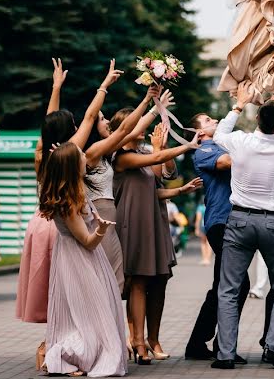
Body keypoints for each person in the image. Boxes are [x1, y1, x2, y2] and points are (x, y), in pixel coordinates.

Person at [17, 58, 122, 372]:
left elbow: (49, 120)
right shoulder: (70, 153)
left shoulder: (44, 156)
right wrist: (103, 86)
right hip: (71, 229)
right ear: (68, 132)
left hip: (45, 226)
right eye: (72, 126)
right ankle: (73, 346)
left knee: (58, 296)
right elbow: (90, 116)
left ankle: (56, 343)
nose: (78, 128)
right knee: (78, 295)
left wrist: (55, 88)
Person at [211, 83, 274, 370]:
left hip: (239, 219)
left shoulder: (241, 142)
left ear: (257, 120)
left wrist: (239, 104)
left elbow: (218, 134)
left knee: (229, 288)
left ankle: (225, 354)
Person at [112, 114, 203, 365]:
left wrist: (179, 189)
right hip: (133, 222)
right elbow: (156, 159)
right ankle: (138, 341)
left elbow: (160, 178)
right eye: (134, 123)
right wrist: (167, 149)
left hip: (156, 220)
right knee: (139, 281)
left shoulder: (145, 151)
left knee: (160, 280)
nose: (141, 127)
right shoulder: (119, 156)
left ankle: (154, 339)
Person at [39, 142, 127, 377]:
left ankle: (77, 356)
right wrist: (101, 230)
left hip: (84, 257)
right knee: (87, 310)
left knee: (88, 310)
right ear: (71, 165)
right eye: (80, 155)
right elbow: (87, 241)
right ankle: (65, 356)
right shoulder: (67, 202)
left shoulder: (76, 190)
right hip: (78, 259)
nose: (85, 158)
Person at [81, 84, 164, 295]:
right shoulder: (94, 152)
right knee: (107, 282)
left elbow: (131, 131)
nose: (107, 121)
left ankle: (109, 326)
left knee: (115, 281)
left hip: (109, 221)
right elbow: (126, 130)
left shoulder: (108, 152)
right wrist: (147, 102)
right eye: (102, 120)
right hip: (99, 219)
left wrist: (155, 108)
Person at [184, 111, 250, 363]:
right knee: (236, 284)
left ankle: (198, 343)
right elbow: (227, 163)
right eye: (209, 121)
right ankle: (221, 344)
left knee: (223, 286)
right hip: (221, 224)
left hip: (231, 224)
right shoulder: (204, 150)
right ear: (200, 133)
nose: (215, 121)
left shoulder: (222, 142)